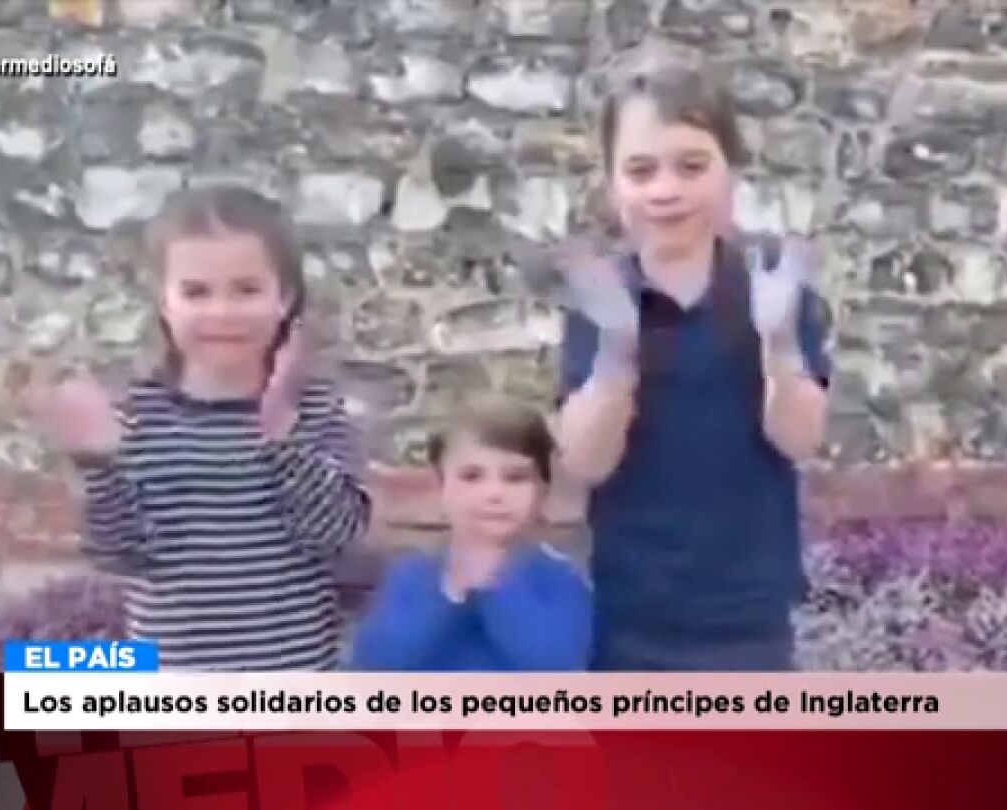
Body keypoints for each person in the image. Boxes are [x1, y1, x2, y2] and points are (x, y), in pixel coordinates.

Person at [555, 62, 834, 671]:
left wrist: (779, 340)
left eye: (691, 166)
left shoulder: (775, 294)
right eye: (641, 171)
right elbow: (584, 461)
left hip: (750, 626)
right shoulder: (600, 301)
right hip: (628, 624)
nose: (665, 190)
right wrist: (618, 347)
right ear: (612, 185)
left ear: (730, 171)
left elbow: (801, 439)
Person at [26, 185, 372, 671]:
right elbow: (119, 555)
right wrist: (98, 465)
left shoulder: (314, 409)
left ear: (285, 298)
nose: (221, 312)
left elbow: (338, 537)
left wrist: (280, 434)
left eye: (246, 290)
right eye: (196, 292)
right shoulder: (135, 416)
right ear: (164, 303)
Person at [351, 394, 591, 671]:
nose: (494, 493)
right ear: (441, 488)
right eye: (471, 476)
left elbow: (557, 665)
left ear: (543, 491)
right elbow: (379, 662)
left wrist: (497, 588)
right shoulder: (413, 574)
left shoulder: (558, 579)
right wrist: (449, 594)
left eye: (515, 478)